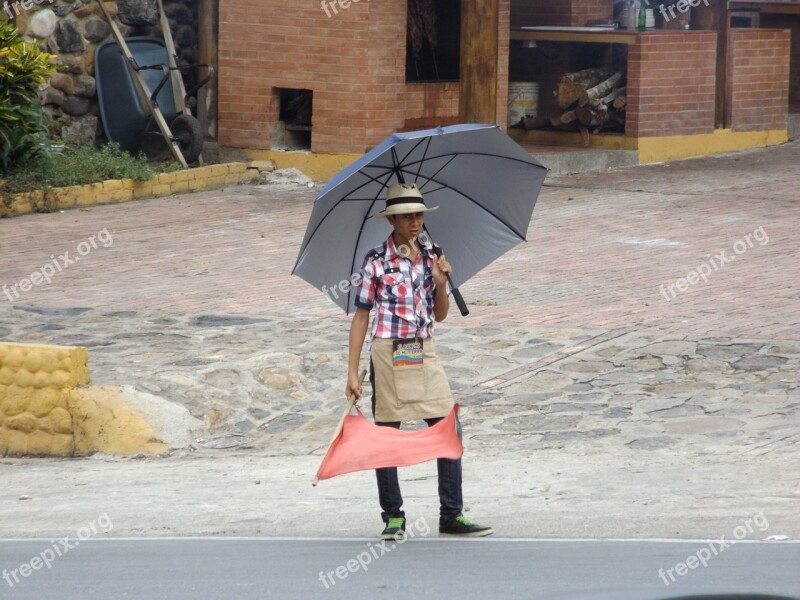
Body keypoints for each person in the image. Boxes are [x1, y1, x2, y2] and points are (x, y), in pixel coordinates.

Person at [345, 182, 493, 540]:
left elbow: (440, 315)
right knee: (387, 436)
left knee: (448, 428)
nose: (415, 222)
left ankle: (451, 514)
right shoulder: (376, 261)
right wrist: (351, 371)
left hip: (423, 351)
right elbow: (362, 315)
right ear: (392, 220)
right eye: (407, 216)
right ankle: (393, 516)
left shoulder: (433, 255)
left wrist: (441, 283)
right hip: (389, 352)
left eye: (419, 215)